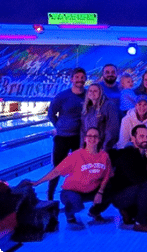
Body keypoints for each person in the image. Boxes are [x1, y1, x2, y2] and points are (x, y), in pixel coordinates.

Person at [95, 125, 147, 232]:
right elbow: (137, 178)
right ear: (133, 138)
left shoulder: (143, 154)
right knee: (145, 184)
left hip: (130, 193)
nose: (145, 139)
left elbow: (145, 171)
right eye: (141, 136)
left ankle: (129, 212)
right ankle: (140, 222)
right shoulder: (128, 153)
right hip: (119, 195)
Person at [30, 127, 111, 226]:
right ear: (85, 139)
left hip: (91, 191)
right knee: (77, 204)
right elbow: (56, 172)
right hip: (71, 192)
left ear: (99, 139)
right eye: (89, 136)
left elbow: (106, 176)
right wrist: (38, 182)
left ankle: (95, 212)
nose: (92, 138)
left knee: (112, 191)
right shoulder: (76, 155)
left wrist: (100, 192)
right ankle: (69, 213)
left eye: (95, 136)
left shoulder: (104, 156)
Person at [47, 67, 87, 201]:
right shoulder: (62, 96)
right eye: (77, 77)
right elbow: (51, 113)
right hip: (62, 138)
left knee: (77, 168)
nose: (79, 80)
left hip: (79, 138)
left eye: (82, 77)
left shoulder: (88, 95)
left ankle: (74, 196)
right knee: (57, 167)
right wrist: (59, 126)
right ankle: (50, 196)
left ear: (85, 79)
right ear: (71, 79)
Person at [81, 83, 119, 152]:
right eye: (90, 91)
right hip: (89, 148)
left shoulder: (109, 106)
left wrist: (105, 147)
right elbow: (83, 131)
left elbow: (113, 129)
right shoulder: (87, 109)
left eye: (95, 91)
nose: (92, 93)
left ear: (100, 92)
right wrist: (82, 148)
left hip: (104, 148)